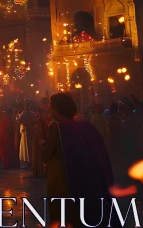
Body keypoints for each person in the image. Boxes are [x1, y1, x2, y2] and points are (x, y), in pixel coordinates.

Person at [42, 93, 113, 226]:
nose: (49, 109)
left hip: (62, 180)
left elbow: (45, 154)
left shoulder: (56, 128)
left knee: (63, 214)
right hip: (85, 178)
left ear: (57, 108)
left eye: (51, 106)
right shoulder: (85, 126)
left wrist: (40, 140)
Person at [0, 105, 19, 169]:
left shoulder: (8, 120)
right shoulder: (8, 120)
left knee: (7, 152)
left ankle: (8, 164)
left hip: (7, 139)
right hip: (7, 139)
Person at [17, 100, 36, 167]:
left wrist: (17, 117)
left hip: (26, 131)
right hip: (30, 131)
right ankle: (31, 159)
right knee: (30, 145)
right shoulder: (32, 114)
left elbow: (19, 120)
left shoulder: (24, 113)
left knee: (27, 145)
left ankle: (28, 159)